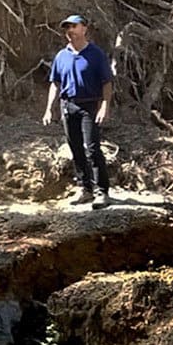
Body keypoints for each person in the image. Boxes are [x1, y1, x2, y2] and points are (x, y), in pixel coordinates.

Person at [43, 14, 113, 209]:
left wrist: (105, 106)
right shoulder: (61, 56)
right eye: (67, 28)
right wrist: (49, 108)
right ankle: (85, 189)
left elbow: (107, 82)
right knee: (75, 148)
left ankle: (102, 192)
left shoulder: (96, 54)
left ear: (84, 28)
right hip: (68, 106)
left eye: (74, 26)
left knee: (92, 148)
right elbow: (55, 84)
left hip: (89, 106)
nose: (70, 31)